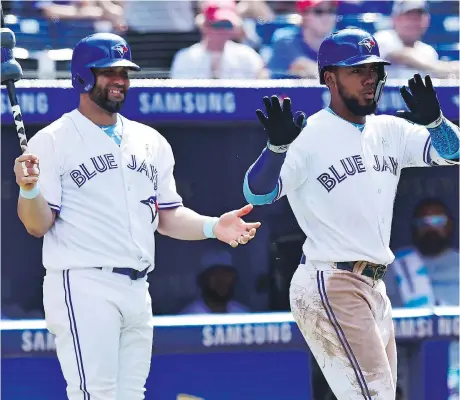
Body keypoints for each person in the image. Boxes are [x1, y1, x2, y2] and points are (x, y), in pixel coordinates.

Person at [13, 32, 261, 400]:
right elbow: (36, 224)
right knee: (95, 394)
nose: (119, 81)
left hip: (137, 286)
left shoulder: (150, 140)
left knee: (131, 395)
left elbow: (168, 217)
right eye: (109, 72)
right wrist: (29, 189)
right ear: (83, 76)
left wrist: (213, 227)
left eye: (125, 72)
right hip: (83, 282)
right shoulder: (52, 140)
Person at [242, 27, 459, 399]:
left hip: (374, 284)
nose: (369, 79)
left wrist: (436, 123)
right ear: (330, 77)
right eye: (357, 71)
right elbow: (257, 193)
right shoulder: (308, 135)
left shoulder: (391, 129)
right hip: (331, 279)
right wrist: (276, 148)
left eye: (374, 70)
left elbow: (452, 153)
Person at [386, 198, 459, 308]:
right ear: (415, 228)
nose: (431, 228)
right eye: (423, 222)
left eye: (438, 221)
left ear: (449, 225)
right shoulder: (397, 265)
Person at [170, 0, 267, 79]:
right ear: (204, 25)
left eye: (227, 25)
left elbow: (263, 93)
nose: (223, 30)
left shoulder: (248, 57)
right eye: (217, 24)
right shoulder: (185, 58)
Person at [373, 0, 459, 79]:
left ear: (426, 21)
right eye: (409, 18)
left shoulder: (428, 51)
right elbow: (403, 56)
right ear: (395, 19)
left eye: (418, 18)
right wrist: (446, 67)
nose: (413, 23)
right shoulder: (382, 38)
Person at [267, 0, 338, 79]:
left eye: (331, 10)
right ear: (304, 15)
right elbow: (302, 66)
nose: (326, 16)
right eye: (319, 11)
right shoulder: (285, 40)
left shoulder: (341, 42)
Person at [180, 249, 250, 314]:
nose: (221, 280)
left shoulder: (243, 315)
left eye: (226, 275)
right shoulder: (188, 317)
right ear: (203, 279)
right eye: (215, 275)